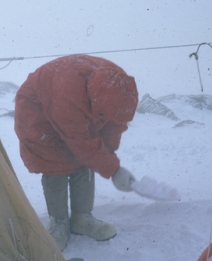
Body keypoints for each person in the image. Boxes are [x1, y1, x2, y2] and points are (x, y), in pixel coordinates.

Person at [14, 54, 139, 250]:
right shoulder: (68, 95)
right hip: (37, 109)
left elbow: (114, 125)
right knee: (54, 162)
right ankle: (59, 221)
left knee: (85, 162)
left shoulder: (120, 85)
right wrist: (113, 170)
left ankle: (82, 218)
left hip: (73, 104)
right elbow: (82, 141)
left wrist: (108, 157)